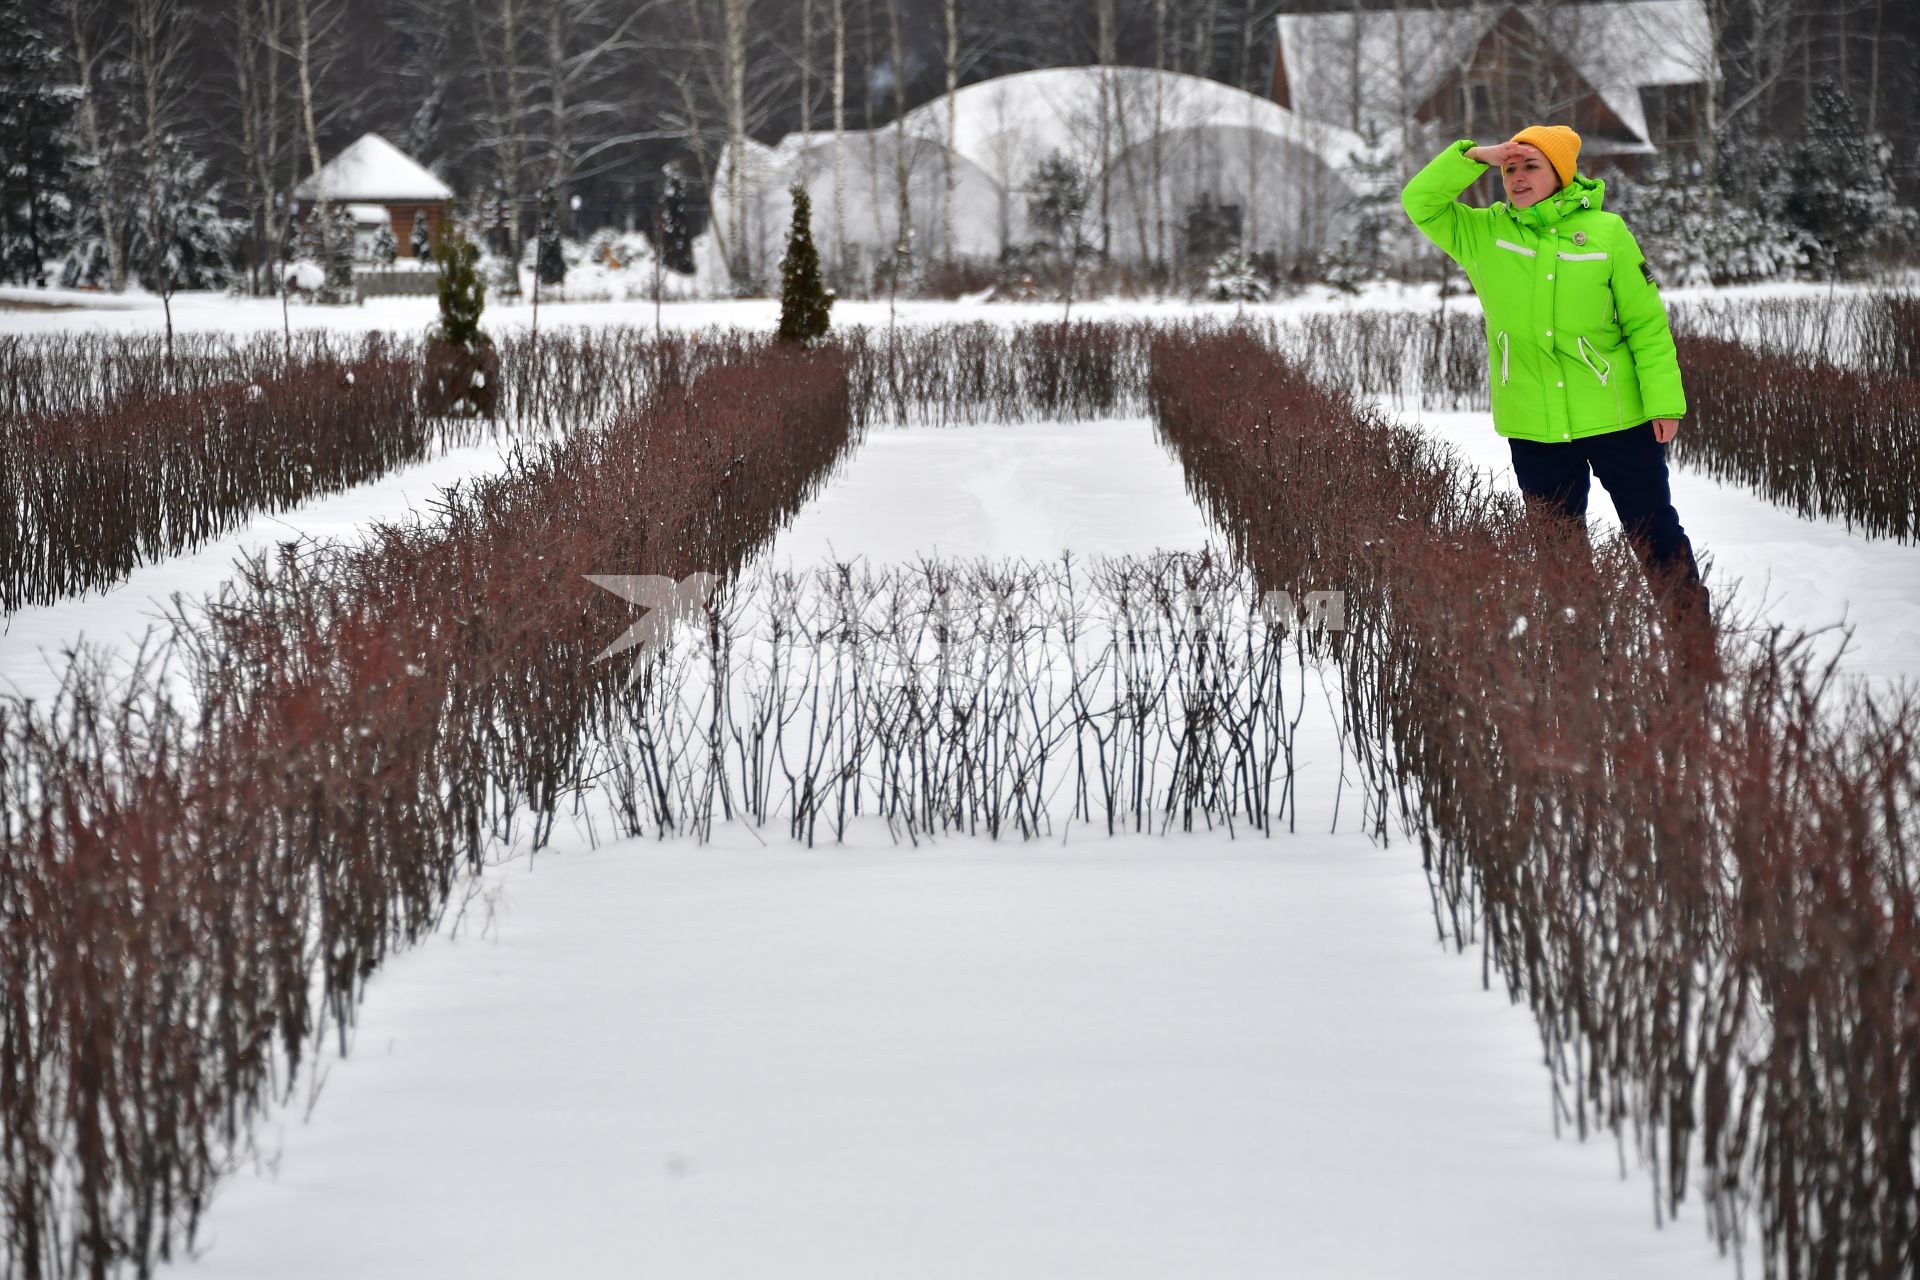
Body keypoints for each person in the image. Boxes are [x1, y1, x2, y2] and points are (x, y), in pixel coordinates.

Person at [1400, 125, 1716, 674]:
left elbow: (1645, 324)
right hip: (1535, 423)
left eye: (1531, 167)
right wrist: (1475, 156)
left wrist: (1665, 402)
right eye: (1510, 169)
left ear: (1561, 173)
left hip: (1618, 416)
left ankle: (1696, 651)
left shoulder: (1607, 233)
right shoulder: (1484, 234)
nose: (1518, 178)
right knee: (1558, 550)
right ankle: (1579, 662)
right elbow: (1419, 201)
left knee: (1654, 530)